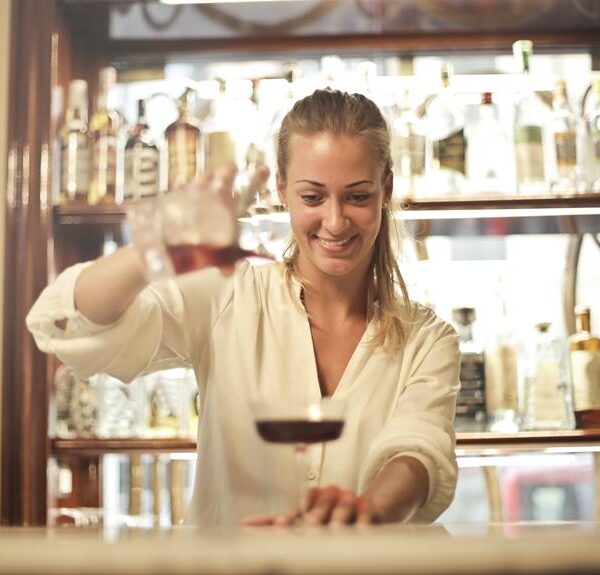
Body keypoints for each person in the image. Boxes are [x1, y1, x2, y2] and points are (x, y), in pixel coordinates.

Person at [27, 89, 460, 527]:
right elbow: (68, 324)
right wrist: (156, 250)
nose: (334, 221)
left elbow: (418, 450)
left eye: (358, 197)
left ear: (386, 188)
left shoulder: (428, 339)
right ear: (281, 190)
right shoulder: (228, 293)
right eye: (312, 198)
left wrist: (368, 512)